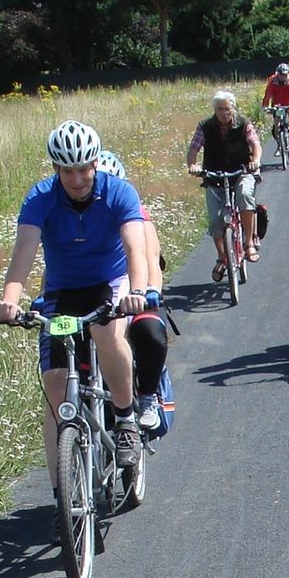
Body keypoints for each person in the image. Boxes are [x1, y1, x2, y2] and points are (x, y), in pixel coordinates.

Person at [0, 120, 157, 470]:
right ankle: (61, 497)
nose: (78, 179)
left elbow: (135, 251)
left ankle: (126, 419)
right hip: (61, 289)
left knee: (106, 332)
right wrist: (10, 300)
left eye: (83, 169)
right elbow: (22, 255)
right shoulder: (40, 198)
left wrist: (138, 292)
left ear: (95, 163)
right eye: (68, 171)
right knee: (54, 386)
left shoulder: (119, 192)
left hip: (109, 283)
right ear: (56, 169)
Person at [96, 150, 172, 436]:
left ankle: (148, 397)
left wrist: (149, 292)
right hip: (96, 295)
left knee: (151, 333)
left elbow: (151, 259)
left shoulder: (138, 216)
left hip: (134, 292)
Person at [185, 90, 263, 276]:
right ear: (214, 110)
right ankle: (222, 257)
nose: (223, 113)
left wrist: (255, 161)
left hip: (241, 171)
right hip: (214, 176)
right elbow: (193, 150)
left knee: (245, 195)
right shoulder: (205, 126)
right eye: (219, 109)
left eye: (227, 108)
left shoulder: (243, 123)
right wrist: (193, 165)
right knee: (214, 219)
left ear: (233, 108)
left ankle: (249, 242)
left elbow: (255, 144)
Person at [261, 62, 289, 140]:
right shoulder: (273, 81)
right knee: (277, 121)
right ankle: (279, 143)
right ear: (278, 74)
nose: (283, 76)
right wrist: (265, 105)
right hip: (277, 104)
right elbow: (268, 94)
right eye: (281, 74)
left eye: (285, 75)